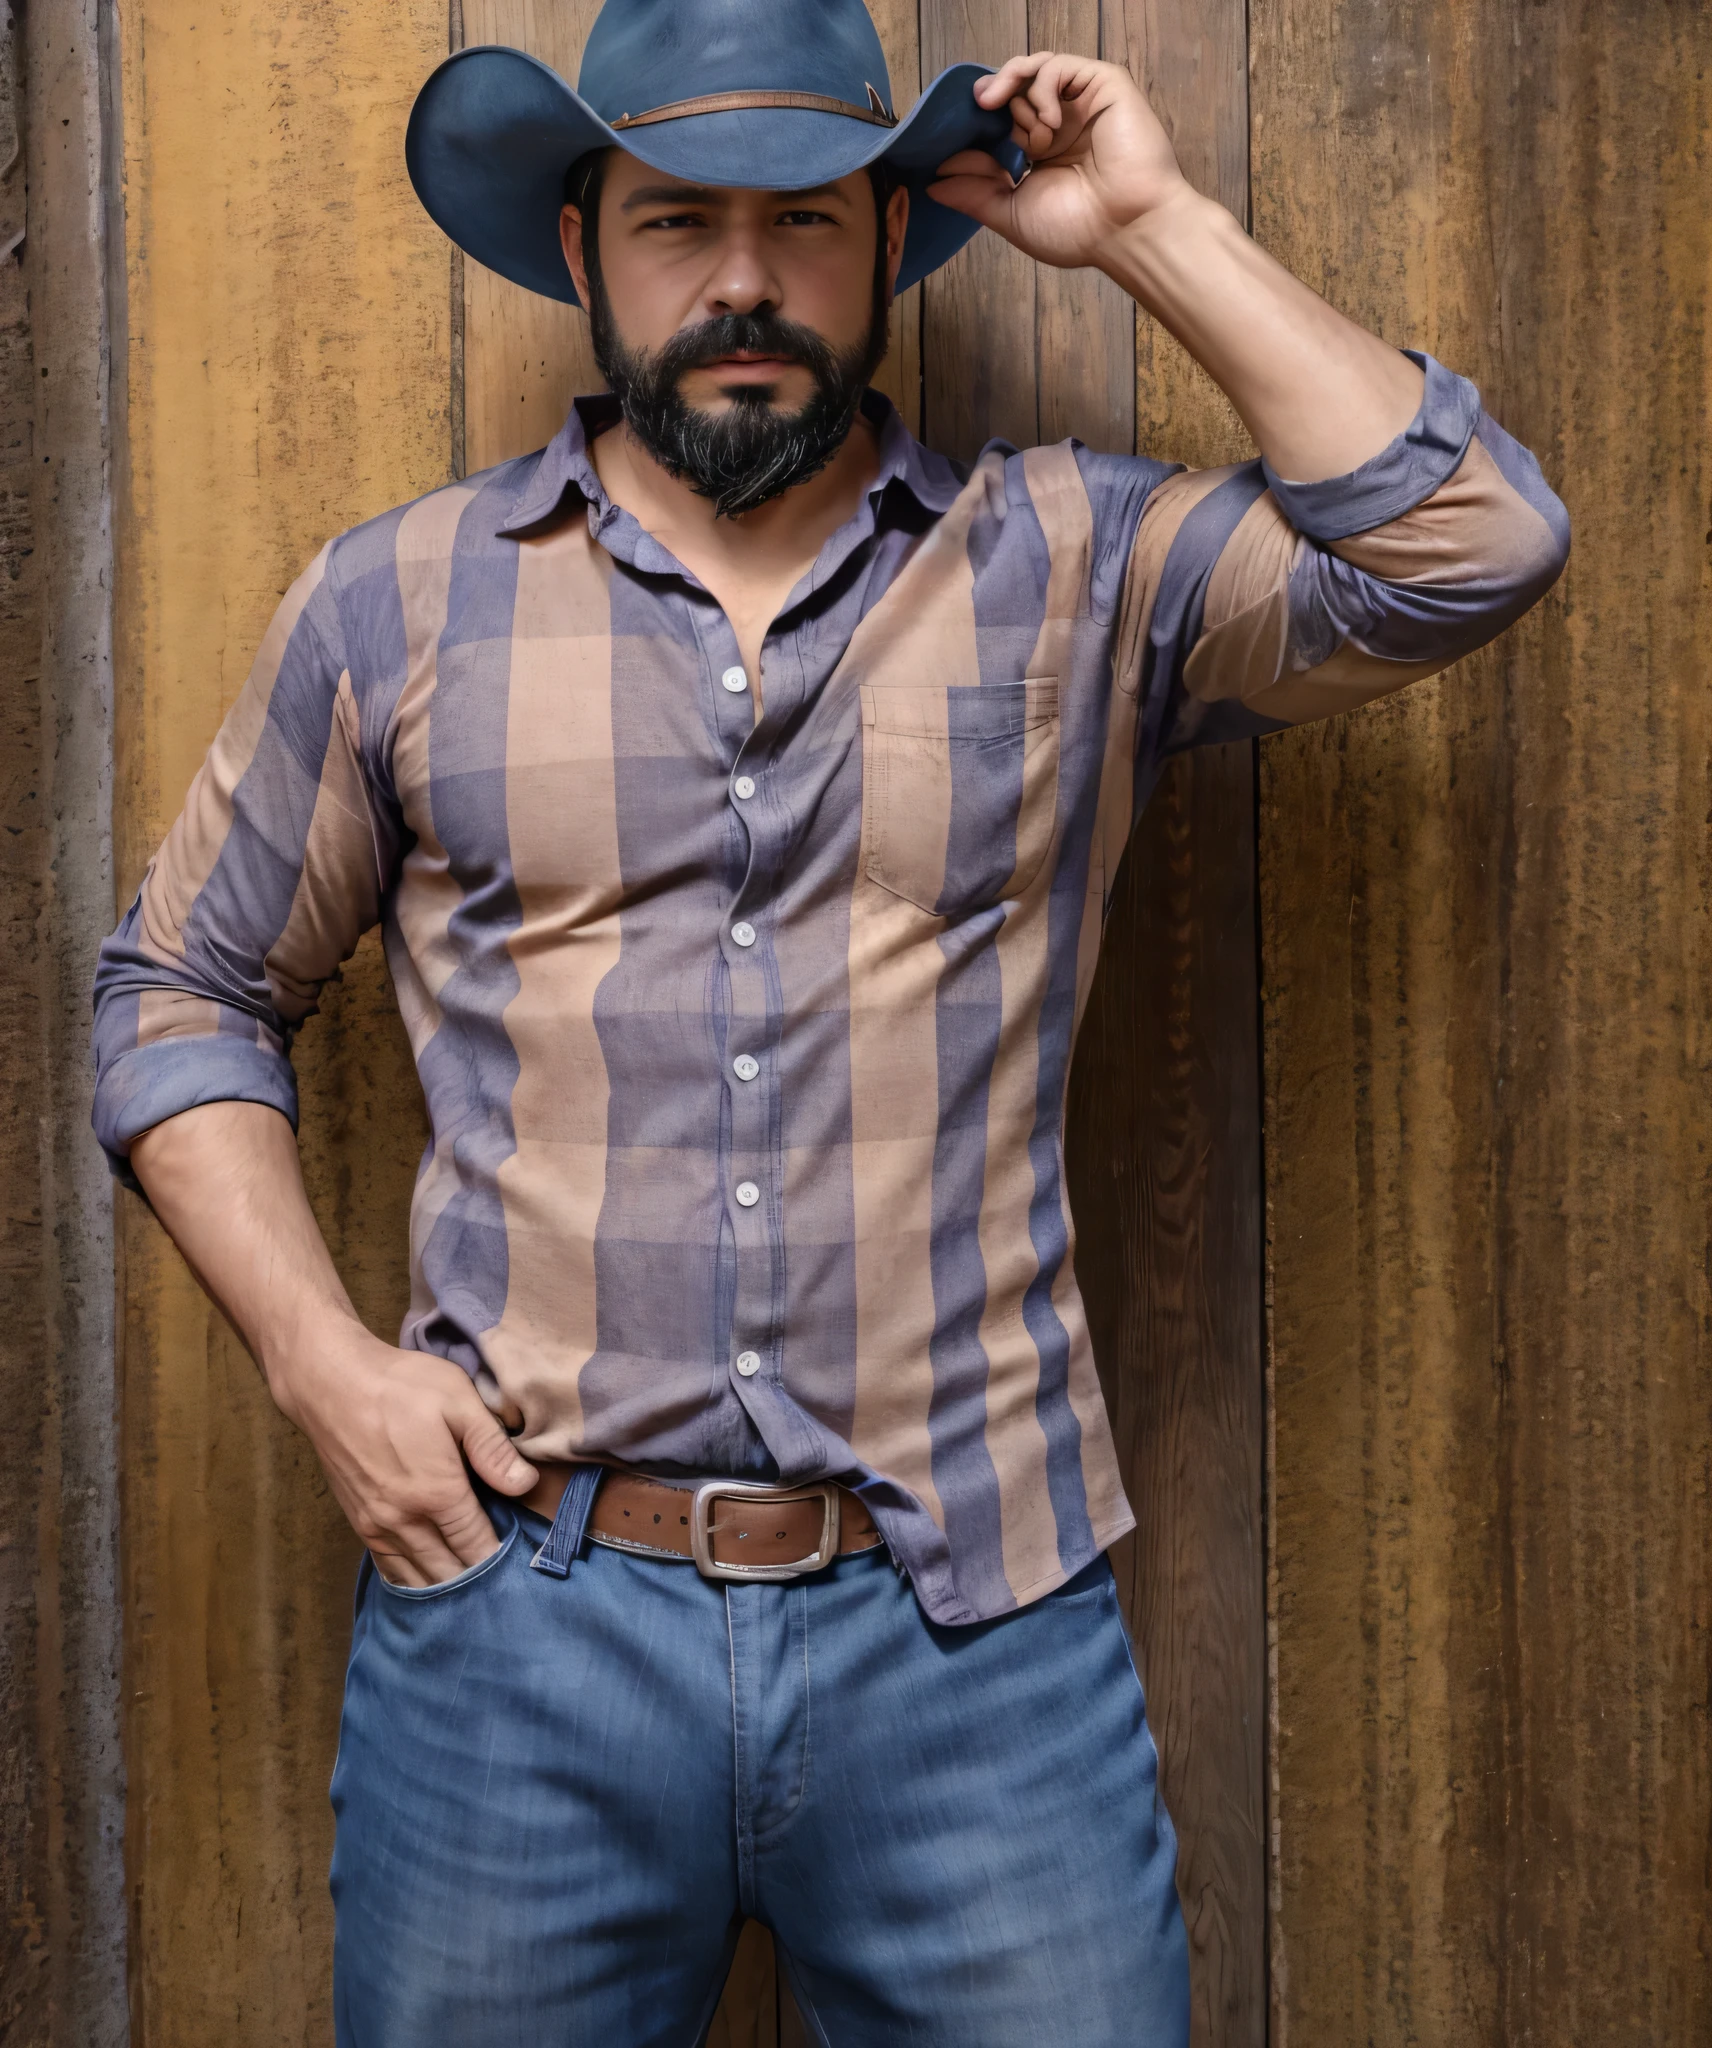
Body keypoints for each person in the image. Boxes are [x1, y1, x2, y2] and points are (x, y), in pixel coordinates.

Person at [90, 0, 1568, 2039]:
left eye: (804, 220)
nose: (744, 283)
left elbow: (1468, 538)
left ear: (888, 245)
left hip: (972, 1634)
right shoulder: (397, 604)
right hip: (522, 1634)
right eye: (680, 221)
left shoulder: (1075, 562)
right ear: (583, 247)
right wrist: (324, 1366)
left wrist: (1147, 226)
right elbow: (180, 987)